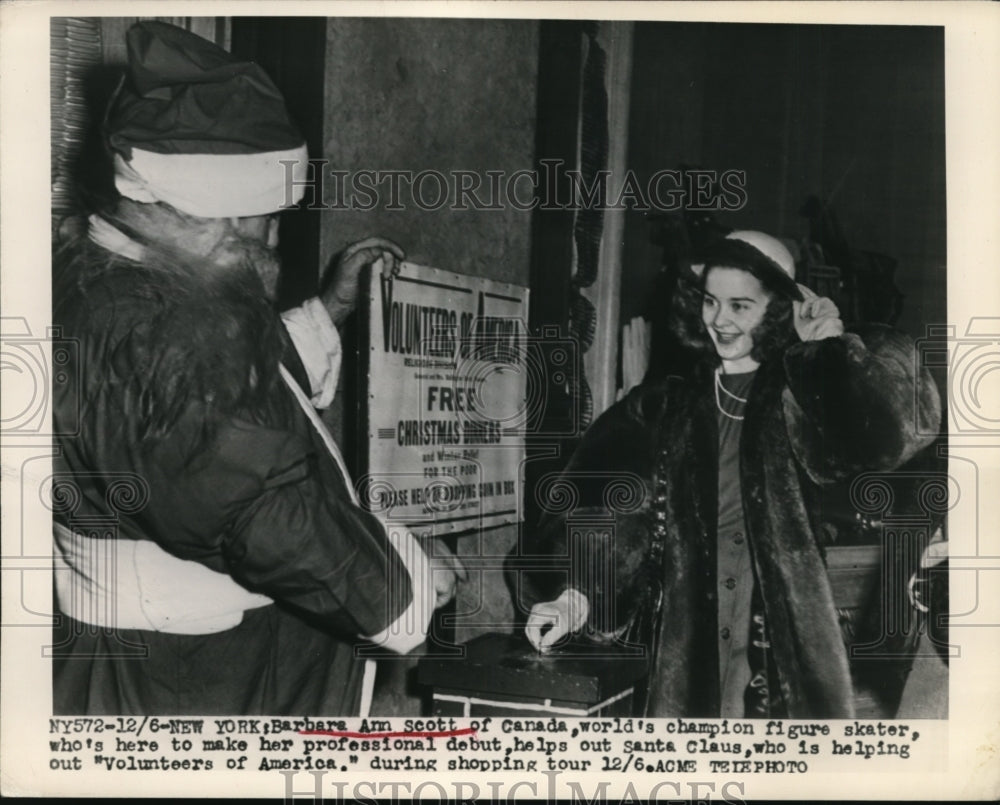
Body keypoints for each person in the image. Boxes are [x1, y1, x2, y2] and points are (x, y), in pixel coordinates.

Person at [51, 21, 458, 715]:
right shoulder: (147, 328)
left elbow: (220, 398)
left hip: (170, 659)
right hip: (189, 681)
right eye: (264, 222)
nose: (271, 243)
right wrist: (405, 583)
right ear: (202, 206)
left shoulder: (116, 274)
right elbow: (255, 503)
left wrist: (327, 311)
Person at [521, 230, 941, 718]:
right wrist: (574, 596)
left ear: (777, 310)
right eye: (710, 302)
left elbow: (902, 430)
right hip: (682, 639)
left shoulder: (804, 397)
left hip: (780, 641)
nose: (720, 320)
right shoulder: (661, 406)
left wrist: (831, 352)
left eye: (740, 305)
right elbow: (598, 507)